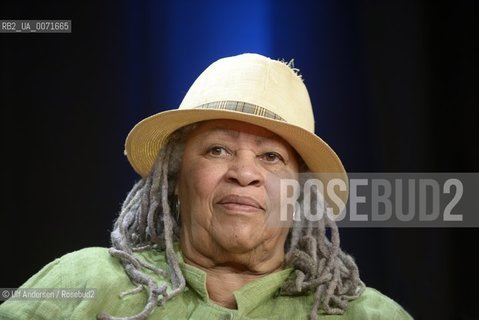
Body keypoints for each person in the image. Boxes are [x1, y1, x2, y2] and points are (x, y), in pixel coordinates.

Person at [0, 53, 413, 320]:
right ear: (175, 176)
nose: (244, 173)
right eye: (218, 150)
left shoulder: (367, 314)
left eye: (271, 157)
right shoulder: (84, 283)